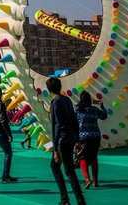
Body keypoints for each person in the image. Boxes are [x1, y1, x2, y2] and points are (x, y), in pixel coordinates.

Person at [48, 77, 86, 205]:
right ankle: (79, 200)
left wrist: (55, 149)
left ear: (49, 90)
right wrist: (77, 138)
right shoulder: (67, 100)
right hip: (70, 138)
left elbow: (56, 125)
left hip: (62, 140)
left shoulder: (55, 102)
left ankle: (65, 199)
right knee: (69, 170)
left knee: (59, 168)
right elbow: (74, 119)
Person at [75, 91, 107, 189]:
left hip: (83, 137)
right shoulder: (94, 109)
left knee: (82, 158)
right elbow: (104, 116)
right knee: (94, 158)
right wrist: (102, 106)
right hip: (95, 137)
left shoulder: (78, 110)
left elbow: (74, 124)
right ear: (90, 100)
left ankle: (87, 179)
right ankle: (95, 181)